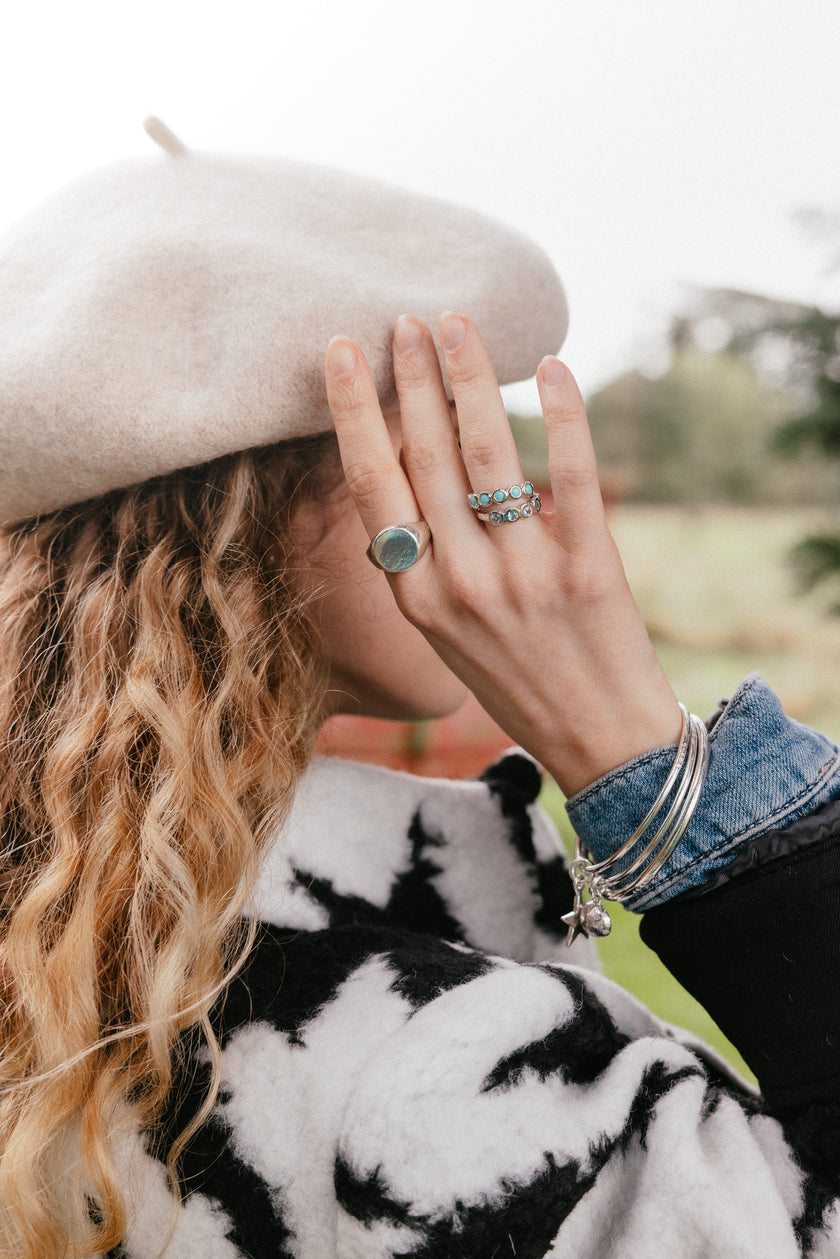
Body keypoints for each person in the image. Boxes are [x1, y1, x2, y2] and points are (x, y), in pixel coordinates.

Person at [0, 120, 837, 1259]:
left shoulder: (63, 944)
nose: (512, 494)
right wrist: (655, 765)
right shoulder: (437, 1059)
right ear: (249, 522)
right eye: (440, 437)